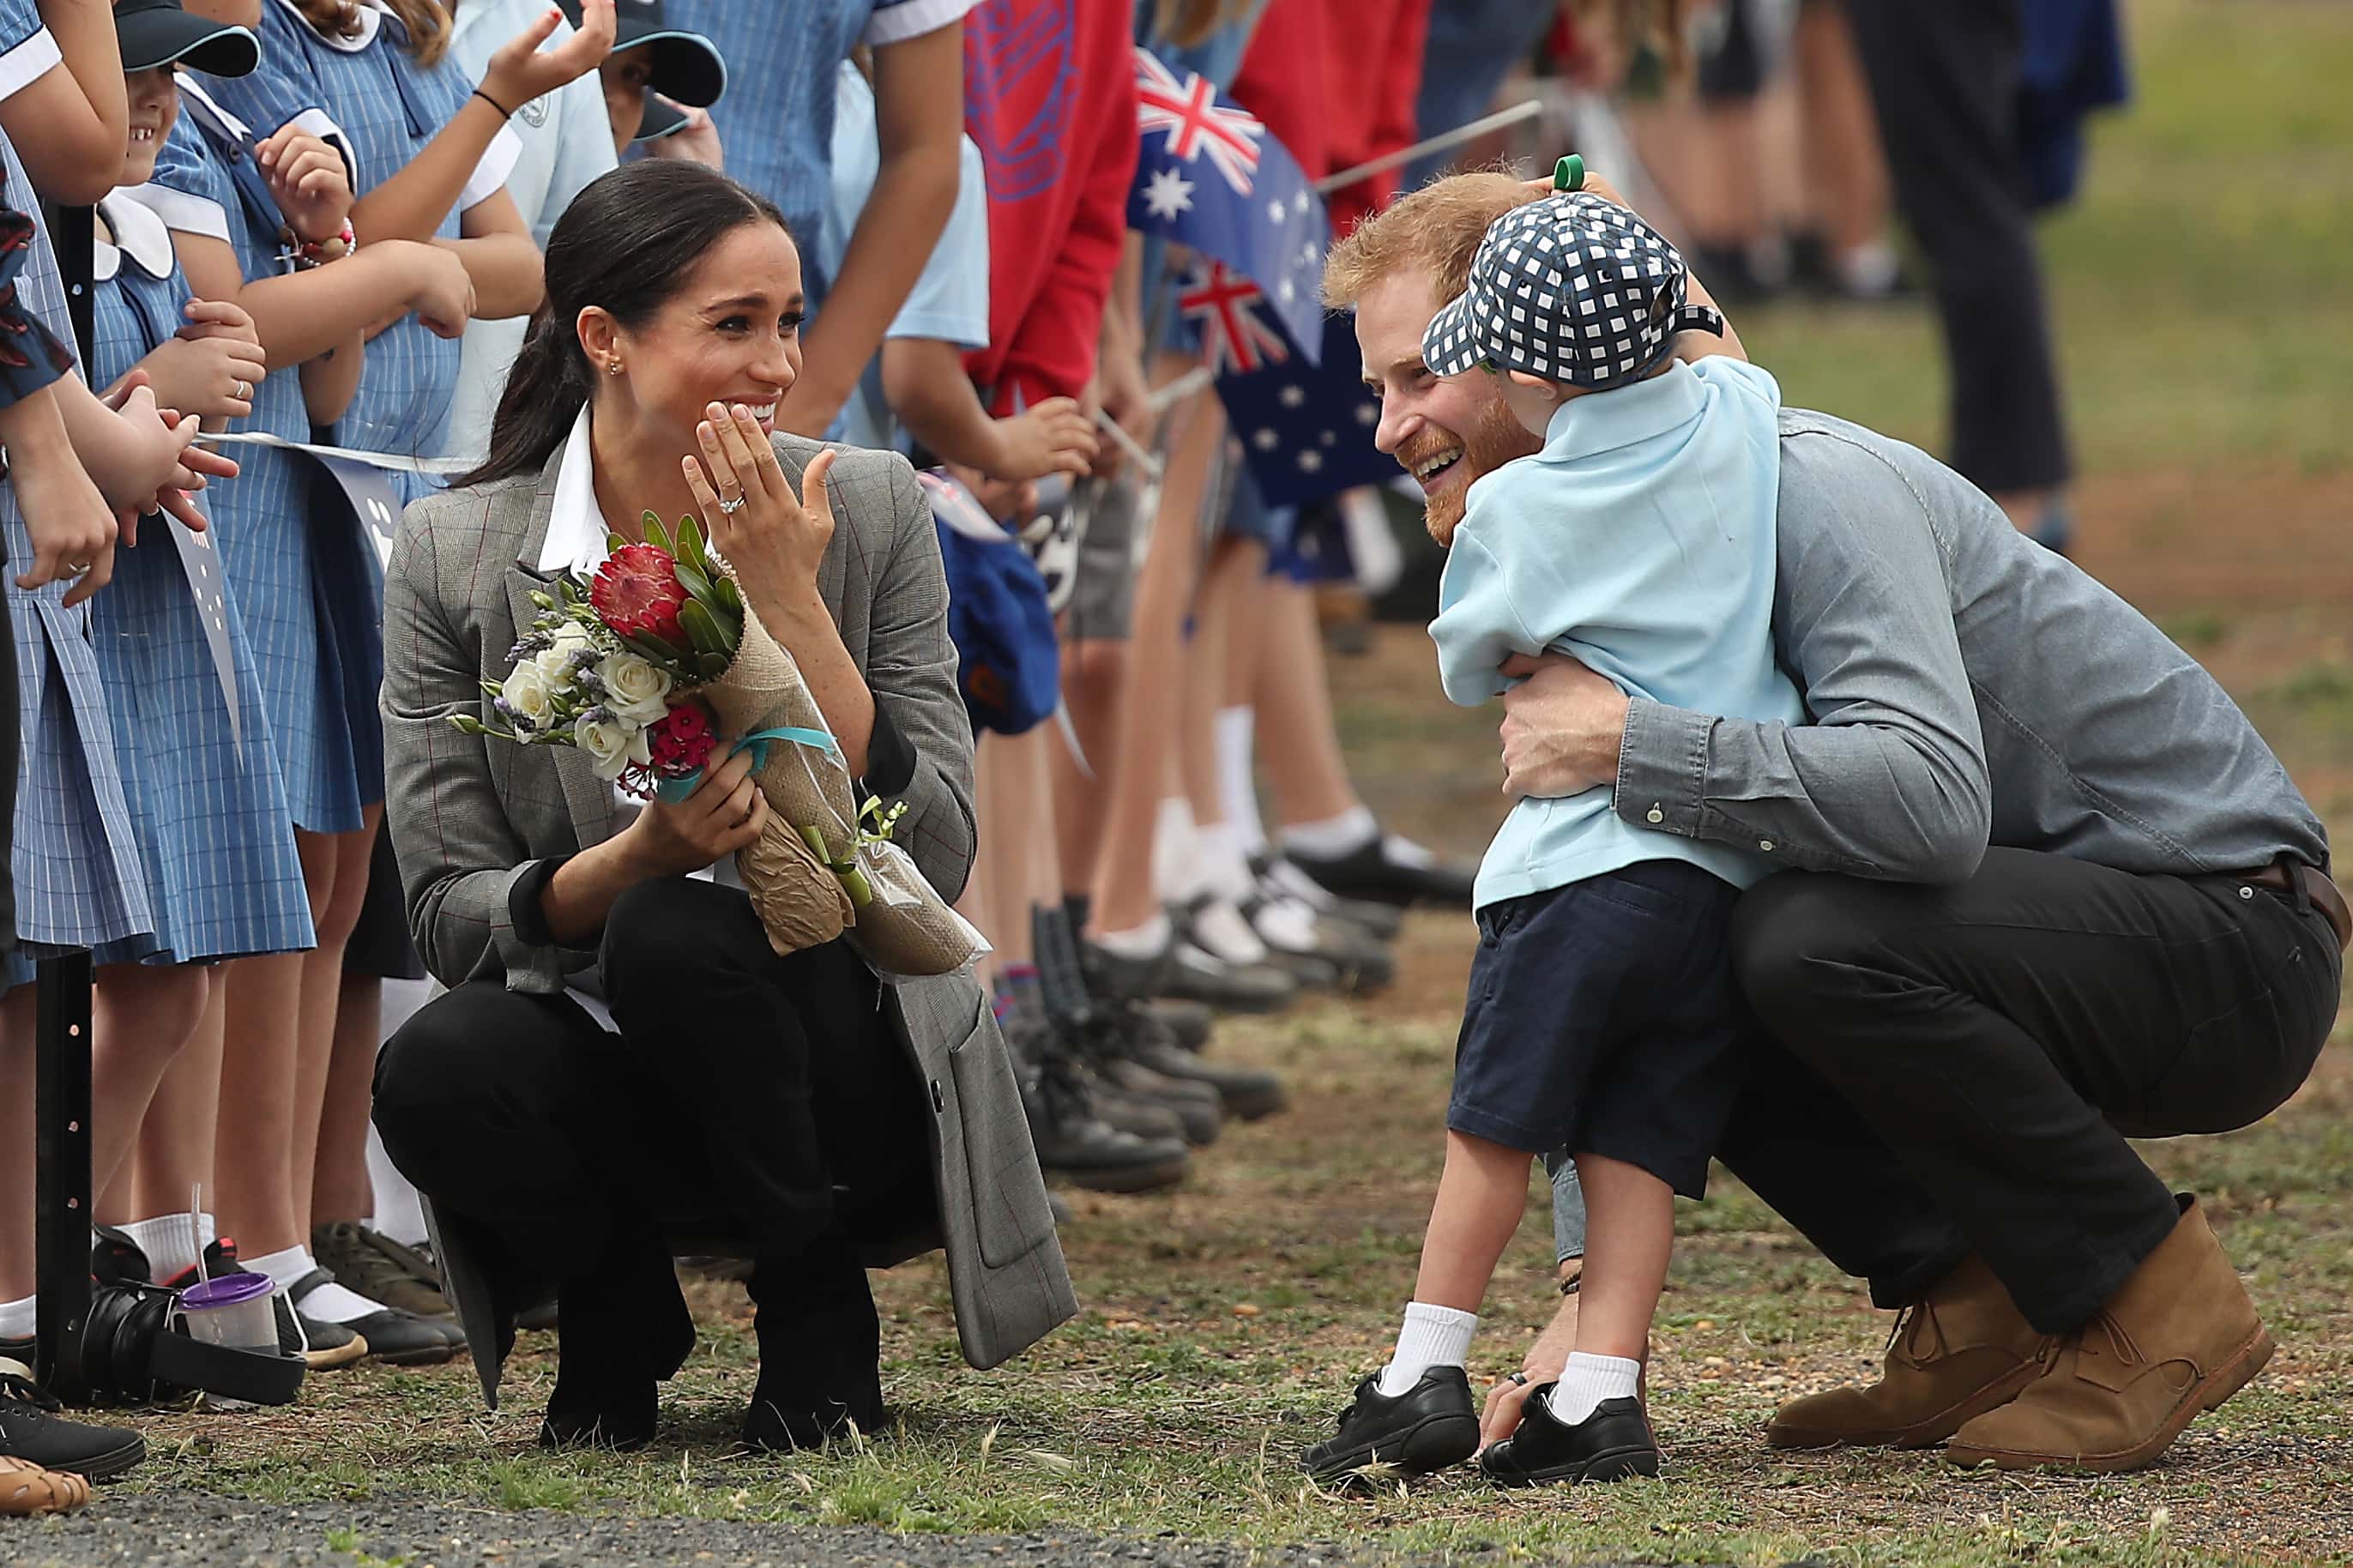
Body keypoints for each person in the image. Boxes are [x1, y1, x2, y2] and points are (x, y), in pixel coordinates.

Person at [1326, 166, 2347, 1475]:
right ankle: (1980, 1306)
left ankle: (2157, 1306)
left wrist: (1637, 744)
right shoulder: (1620, 537)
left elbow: (1927, 806)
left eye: (1422, 375)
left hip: (2230, 933)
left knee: (1796, 934)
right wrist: (1579, 1316)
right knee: (1667, 920)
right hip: (2059, 924)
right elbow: (1604, 936)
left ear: (1540, 352)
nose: (1390, 425)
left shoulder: (1800, 485)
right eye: (1381, 388)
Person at [371, 160, 1075, 1452]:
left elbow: (943, 858)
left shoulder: (860, 503)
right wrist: (636, 857)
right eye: (734, 324)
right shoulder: (452, 551)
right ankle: (614, 1300)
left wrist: (790, 602)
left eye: (790, 320)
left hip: (841, 1061)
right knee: (433, 1066)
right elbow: (448, 918)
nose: (779, 364)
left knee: (683, 937)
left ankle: (814, 1300)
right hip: (608, 1064)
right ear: (605, 340)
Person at [1302, 190, 1795, 1488]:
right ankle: (1605, 1393)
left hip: (1573, 876)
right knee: (1636, 1138)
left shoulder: (1513, 516)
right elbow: (1726, 356)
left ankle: (1422, 1369)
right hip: (1712, 887)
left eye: (1428, 369)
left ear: (1512, 365)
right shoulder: (1744, 426)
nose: (1394, 417)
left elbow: (1475, 663)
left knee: (1497, 1128)